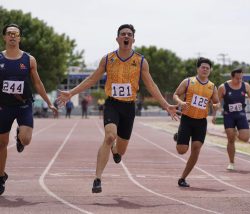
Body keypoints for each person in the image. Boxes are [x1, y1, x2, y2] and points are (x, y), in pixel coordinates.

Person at [57, 24, 178, 193]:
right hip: (112, 104)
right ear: (117, 38)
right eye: (123, 34)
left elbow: (151, 85)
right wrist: (71, 92)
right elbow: (92, 79)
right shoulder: (107, 59)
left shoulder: (141, 61)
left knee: (121, 150)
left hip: (129, 107)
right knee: (109, 136)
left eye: (129, 34)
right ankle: (97, 179)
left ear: (133, 40)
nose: (126, 36)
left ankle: (115, 149)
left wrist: (166, 105)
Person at [0, 24, 57, 195]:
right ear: (4, 37)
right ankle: (1, 176)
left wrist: (49, 102)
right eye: (9, 34)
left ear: (20, 38)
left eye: (15, 34)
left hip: (23, 105)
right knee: (1, 144)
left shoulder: (29, 59)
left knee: (26, 139)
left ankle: (19, 136)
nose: (12, 36)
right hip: (3, 106)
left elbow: (37, 83)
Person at [173, 57, 219, 187]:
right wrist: (181, 102)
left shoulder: (212, 87)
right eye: (203, 67)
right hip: (187, 119)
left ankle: (183, 178)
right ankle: (178, 137)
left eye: (207, 68)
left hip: (201, 122)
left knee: (196, 148)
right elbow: (175, 94)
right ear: (198, 69)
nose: (205, 70)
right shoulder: (188, 82)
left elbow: (216, 102)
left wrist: (215, 108)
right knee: (182, 150)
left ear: (210, 70)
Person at [218, 67, 250, 171]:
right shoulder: (223, 87)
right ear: (232, 77)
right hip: (228, 115)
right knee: (230, 139)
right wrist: (215, 114)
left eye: (241, 78)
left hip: (241, 115)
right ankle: (231, 162)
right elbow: (216, 101)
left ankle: (235, 134)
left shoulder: (245, 86)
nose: (239, 80)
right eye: (237, 78)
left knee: (245, 138)